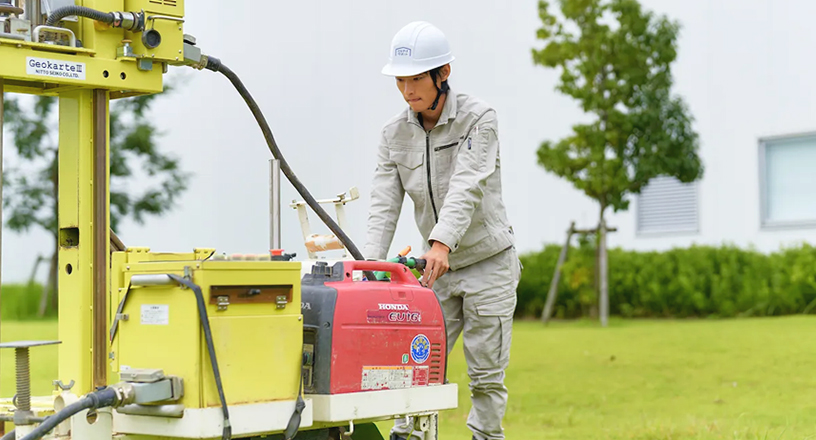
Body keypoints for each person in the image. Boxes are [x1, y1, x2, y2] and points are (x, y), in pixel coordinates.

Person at [363, 21, 521, 440]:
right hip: (436, 271)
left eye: (416, 79)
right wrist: (366, 266)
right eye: (401, 80)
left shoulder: (479, 118)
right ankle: (408, 435)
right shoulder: (392, 134)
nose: (408, 90)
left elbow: (468, 185)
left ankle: (486, 436)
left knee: (485, 375)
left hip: (488, 264)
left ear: (443, 74)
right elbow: (383, 203)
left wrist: (440, 243)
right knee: (413, 368)